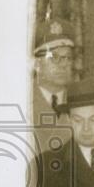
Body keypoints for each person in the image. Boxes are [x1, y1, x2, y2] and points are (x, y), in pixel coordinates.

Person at [32, 18, 75, 154]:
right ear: (37, 64)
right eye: (54, 57)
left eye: (68, 57)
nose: (63, 64)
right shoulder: (22, 98)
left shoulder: (80, 101)